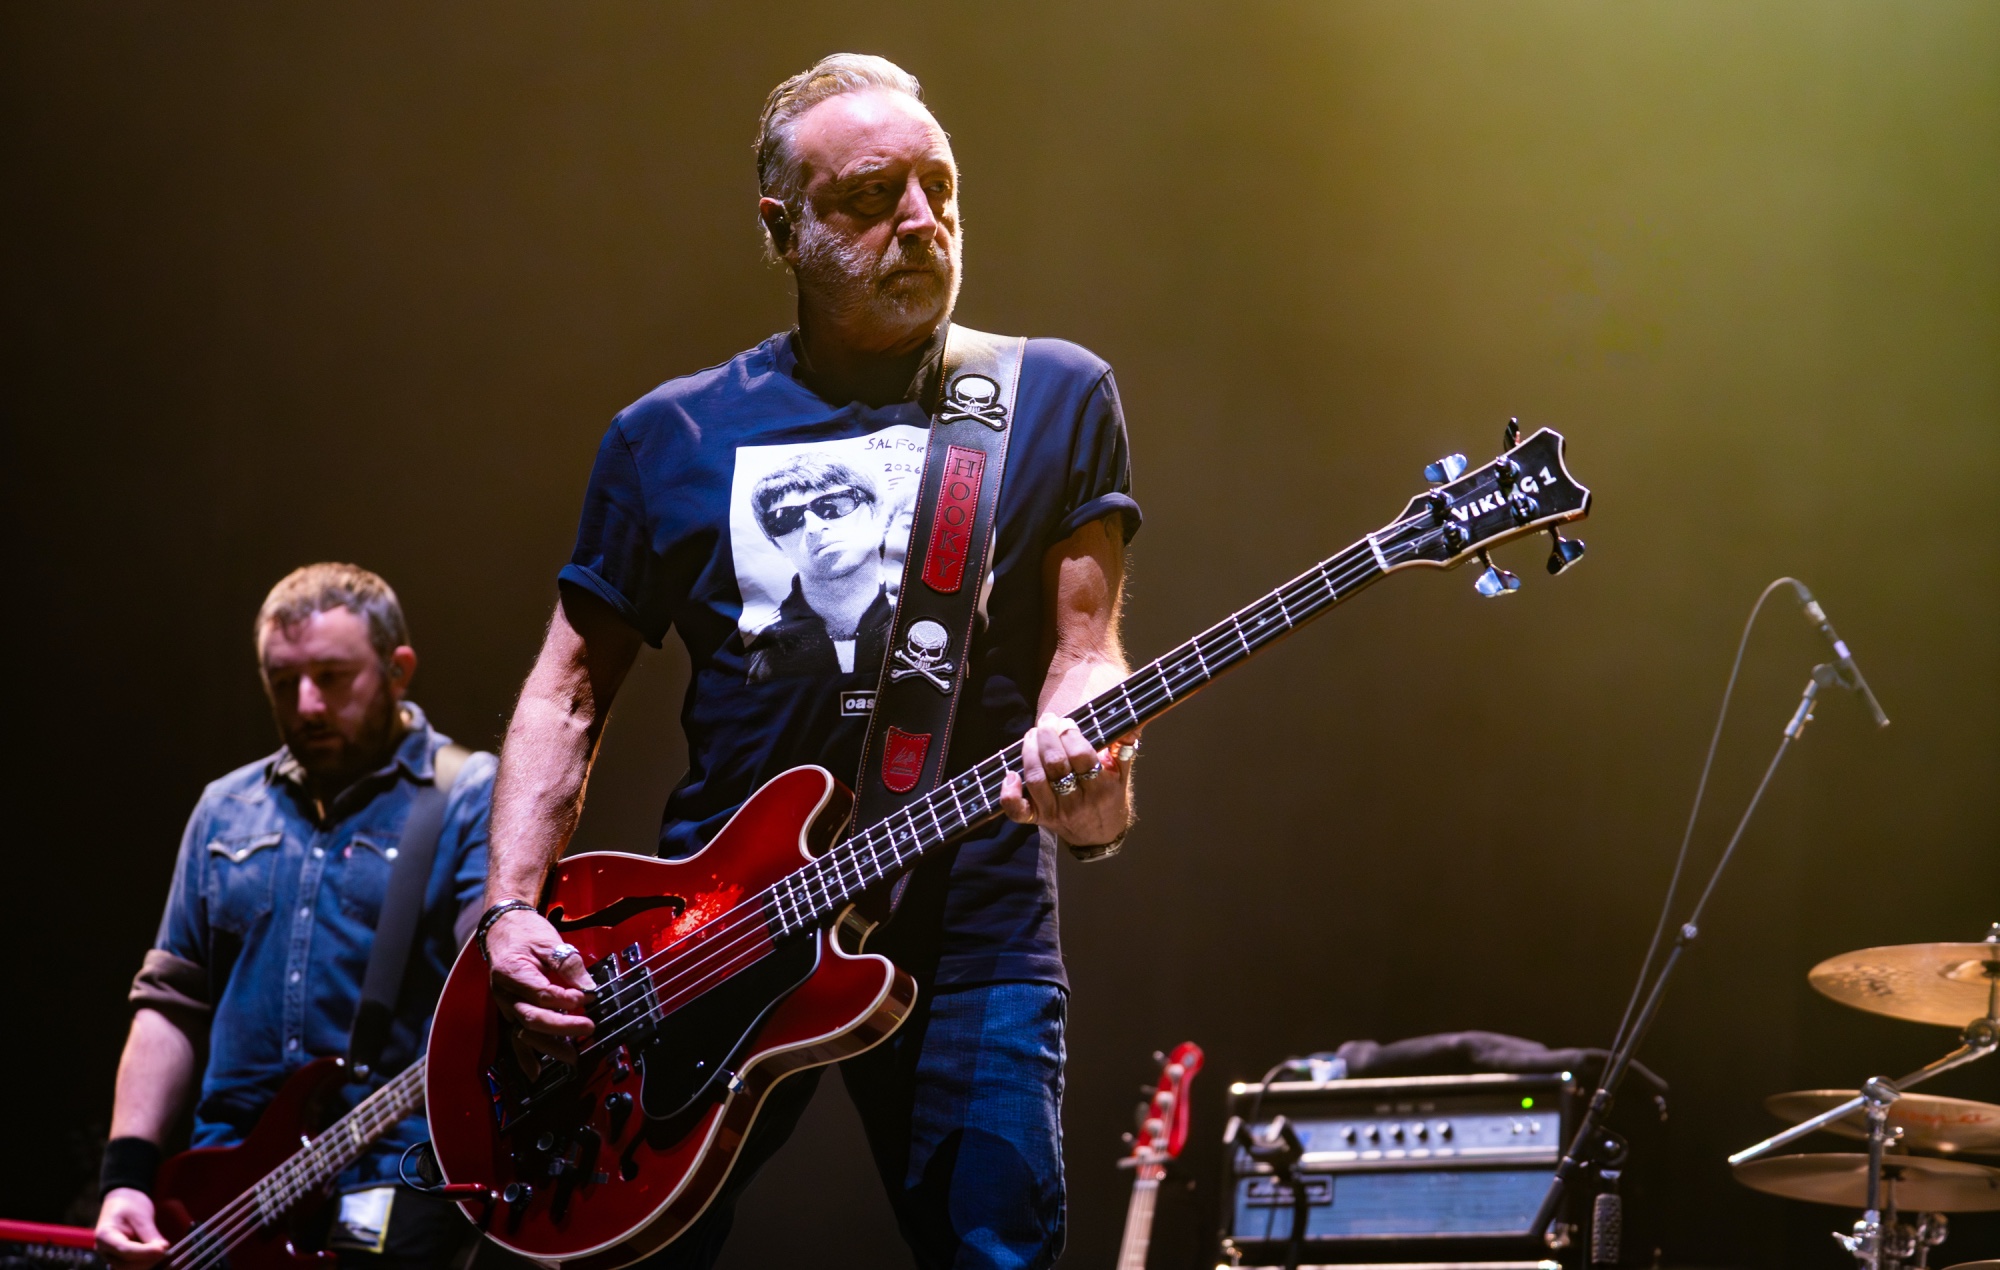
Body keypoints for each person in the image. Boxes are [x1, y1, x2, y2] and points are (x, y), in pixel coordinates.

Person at [479, 53, 1141, 1270]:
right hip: (710, 933)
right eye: (872, 196)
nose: (921, 222)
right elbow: (564, 690)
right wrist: (510, 909)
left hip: (969, 932)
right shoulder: (666, 433)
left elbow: (1086, 655)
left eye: (940, 188)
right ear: (780, 230)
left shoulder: (1048, 392)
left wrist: (1089, 768)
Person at [94, 564, 497, 1270]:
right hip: (223, 1188)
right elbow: (170, 1005)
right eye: (284, 683)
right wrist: (126, 1177)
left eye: (333, 677)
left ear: (399, 670)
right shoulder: (226, 806)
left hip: (391, 1170)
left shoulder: (467, 792)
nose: (306, 705)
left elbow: (495, 977)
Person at [745, 453, 896, 680]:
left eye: (832, 506)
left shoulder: (926, 622)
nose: (814, 527)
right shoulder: (757, 648)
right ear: (775, 542)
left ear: (876, 512)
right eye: (786, 518)